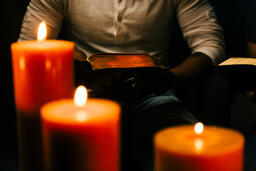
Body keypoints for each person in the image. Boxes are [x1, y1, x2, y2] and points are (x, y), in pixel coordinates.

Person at [18, 0, 225, 170]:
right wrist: (81, 75)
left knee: (182, 153)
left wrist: (167, 79)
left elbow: (209, 45)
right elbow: (29, 46)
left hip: (154, 94)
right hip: (85, 96)